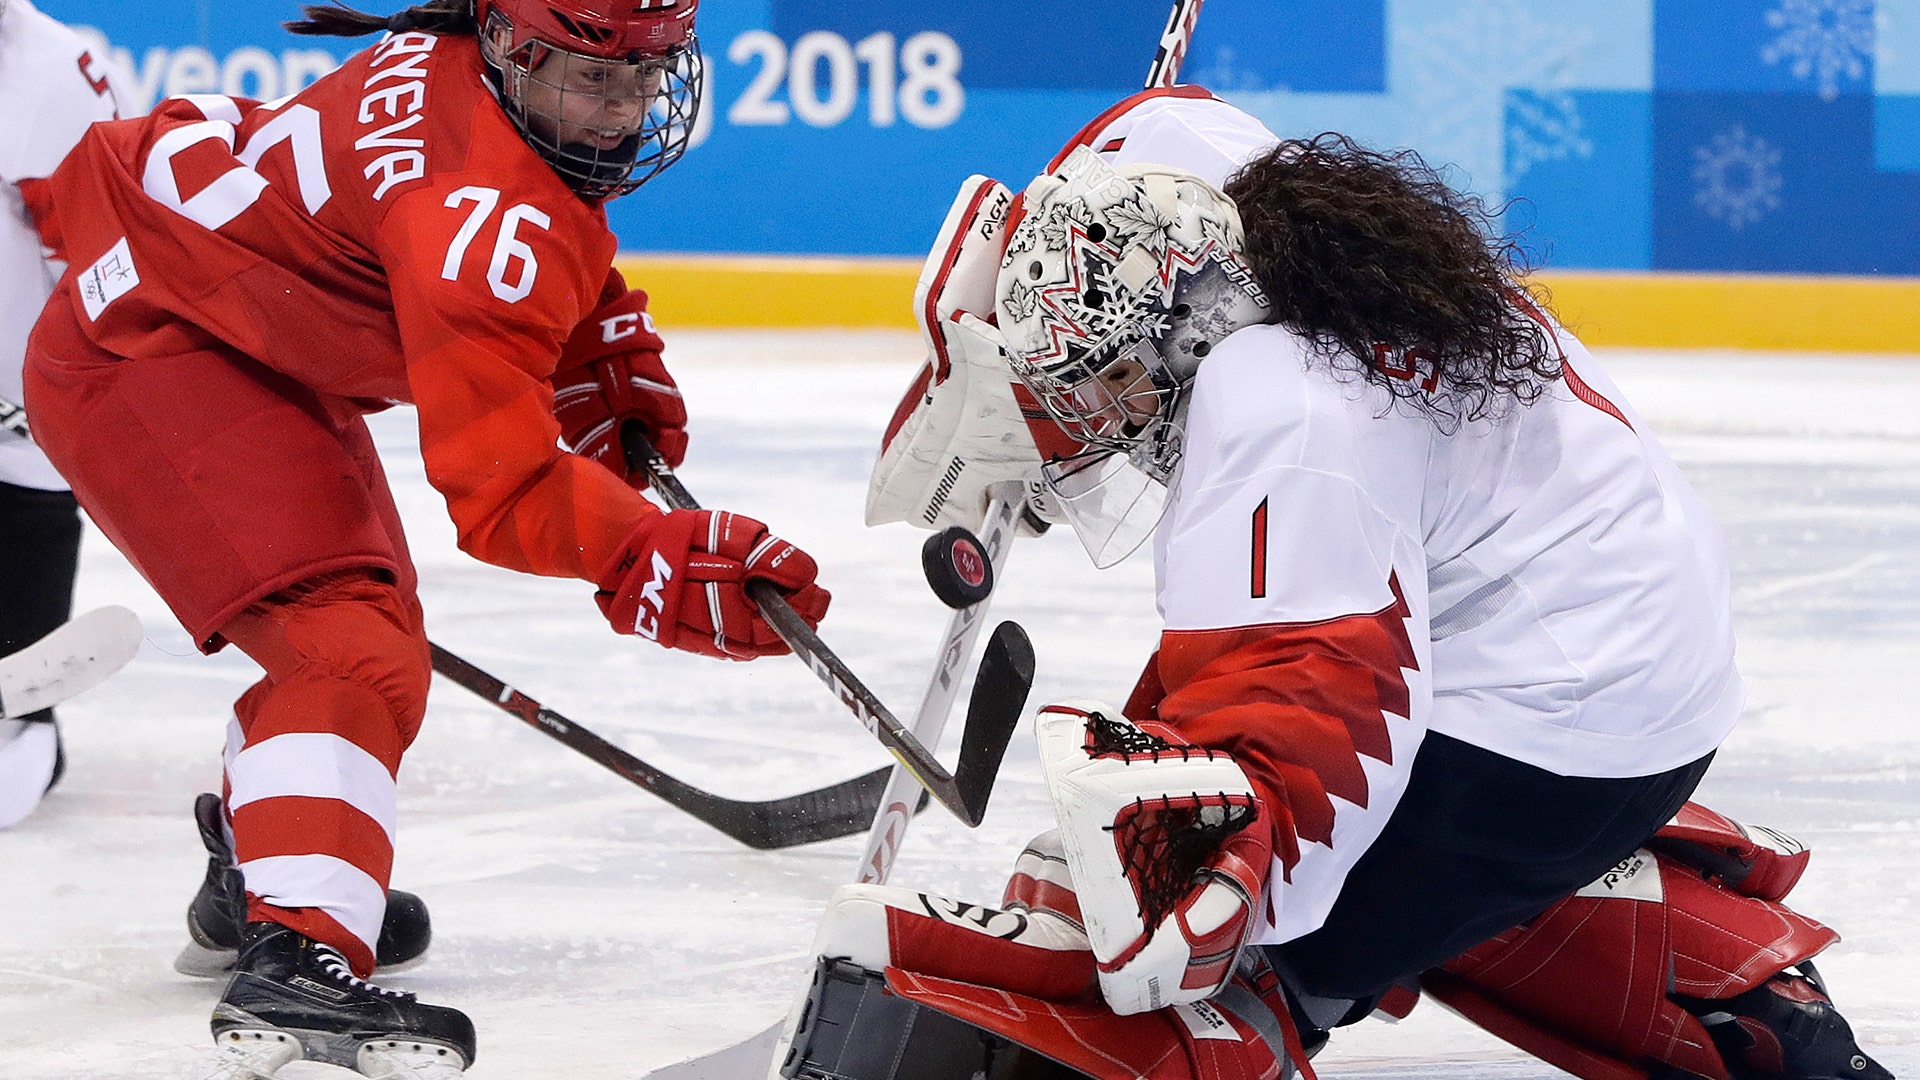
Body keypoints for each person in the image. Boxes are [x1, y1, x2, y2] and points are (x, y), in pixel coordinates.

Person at [782, 88, 1892, 1080]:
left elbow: (1316, 710)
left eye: (1107, 387)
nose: (1103, 428)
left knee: (1173, 935)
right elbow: (1157, 123)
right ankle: (1718, 982)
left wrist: (1207, 897)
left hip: (1545, 731)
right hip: (1627, 654)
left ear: (1171, 342)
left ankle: (1269, 1008)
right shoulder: (1260, 231)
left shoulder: (1280, 412)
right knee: (1309, 858)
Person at [19, 0, 829, 1074]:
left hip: (216, 319)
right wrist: (647, 551)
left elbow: (460, 213)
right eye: (596, 78)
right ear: (512, 48)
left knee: (364, 636)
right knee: (346, 648)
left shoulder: (465, 68)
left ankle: (268, 859)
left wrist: (585, 342)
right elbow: (500, 492)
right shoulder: (479, 218)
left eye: (647, 74)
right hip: (155, 350)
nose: (628, 107)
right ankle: (297, 952)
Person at [0, 0, 127, 830]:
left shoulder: (47, 73)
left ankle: (21, 725)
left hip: (20, 426)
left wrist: (69, 391)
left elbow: (100, 262)